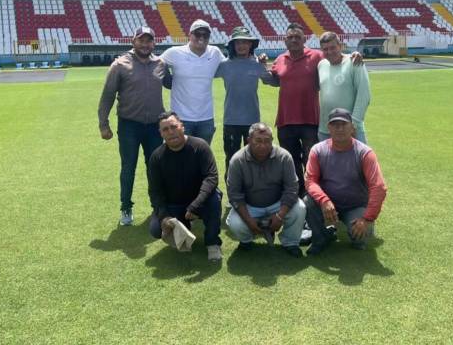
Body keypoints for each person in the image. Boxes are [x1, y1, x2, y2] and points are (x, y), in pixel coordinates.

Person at [262, 23, 363, 197]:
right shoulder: (279, 59)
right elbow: (273, 81)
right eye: (290, 37)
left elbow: (335, 56)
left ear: (305, 39)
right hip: (285, 121)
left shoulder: (317, 56)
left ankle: (314, 195)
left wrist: (352, 55)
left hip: (310, 120)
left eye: (297, 37)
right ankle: (298, 195)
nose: (294, 40)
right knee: (291, 162)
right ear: (285, 40)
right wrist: (261, 67)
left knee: (312, 161)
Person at [98, 26, 168, 226]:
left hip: (155, 126)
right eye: (141, 40)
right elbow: (107, 96)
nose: (145, 44)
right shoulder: (120, 65)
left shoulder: (161, 63)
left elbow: (173, 84)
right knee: (128, 167)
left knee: (154, 168)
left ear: (154, 43)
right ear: (133, 41)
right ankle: (126, 207)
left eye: (149, 41)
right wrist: (103, 124)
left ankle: (157, 207)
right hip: (129, 125)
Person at [304, 108, 387, 255]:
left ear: (352, 127)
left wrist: (367, 219)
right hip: (327, 204)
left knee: (360, 239)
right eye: (335, 125)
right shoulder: (318, 150)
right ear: (328, 128)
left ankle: (349, 227)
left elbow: (379, 187)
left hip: (355, 205)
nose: (339, 128)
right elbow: (310, 180)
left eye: (344, 124)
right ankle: (321, 237)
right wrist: (324, 200)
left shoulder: (365, 153)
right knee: (307, 201)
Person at [147, 111, 223, 262]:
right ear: (161, 134)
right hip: (174, 204)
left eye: (173, 127)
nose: (170, 132)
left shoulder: (200, 146)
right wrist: (164, 216)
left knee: (214, 199)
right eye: (165, 129)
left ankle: (213, 243)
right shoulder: (156, 157)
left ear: (182, 126)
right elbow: (155, 191)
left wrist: (195, 205)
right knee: (156, 229)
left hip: (200, 201)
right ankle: (184, 227)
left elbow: (211, 178)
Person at [225, 123, 306, 257]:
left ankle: (290, 242)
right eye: (258, 141)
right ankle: (246, 241)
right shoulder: (237, 160)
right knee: (235, 223)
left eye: (267, 141)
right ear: (248, 140)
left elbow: (292, 189)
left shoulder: (284, 157)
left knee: (300, 208)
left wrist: (280, 215)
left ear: (272, 140)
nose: (263, 145)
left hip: (277, 203)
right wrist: (249, 221)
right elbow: (234, 195)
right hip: (250, 206)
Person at [214, 26, 273, 179]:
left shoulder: (256, 64)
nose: (241, 46)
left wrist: (264, 65)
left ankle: (252, 192)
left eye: (245, 42)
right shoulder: (224, 65)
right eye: (238, 42)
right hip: (231, 120)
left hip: (252, 121)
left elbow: (269, 81)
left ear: (251, 45)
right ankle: (233, 196)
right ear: (232, 45)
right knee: (232, 159)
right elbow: (203, 74)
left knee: (254, 158)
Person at [160, 19, 224, 145]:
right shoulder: (174, 52)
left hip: (206, 119)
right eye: (197, 34)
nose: (201, 38)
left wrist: (256, 60)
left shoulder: (215, 52)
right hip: (181, 118)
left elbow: (232, 65)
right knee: (179, 156)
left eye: (205, 35)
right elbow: (153, 63)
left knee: (202, 157)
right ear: (190, 35)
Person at [317, 31, 371, 144]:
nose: (329, 52)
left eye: (333, 47)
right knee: (327, 162)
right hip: (325, 130)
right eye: (325, 49)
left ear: (340, 46)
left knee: (356, 161)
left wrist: (353, 125)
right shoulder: (321, 65)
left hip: (350, 129)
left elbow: (364, 95)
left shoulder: (354, 62)